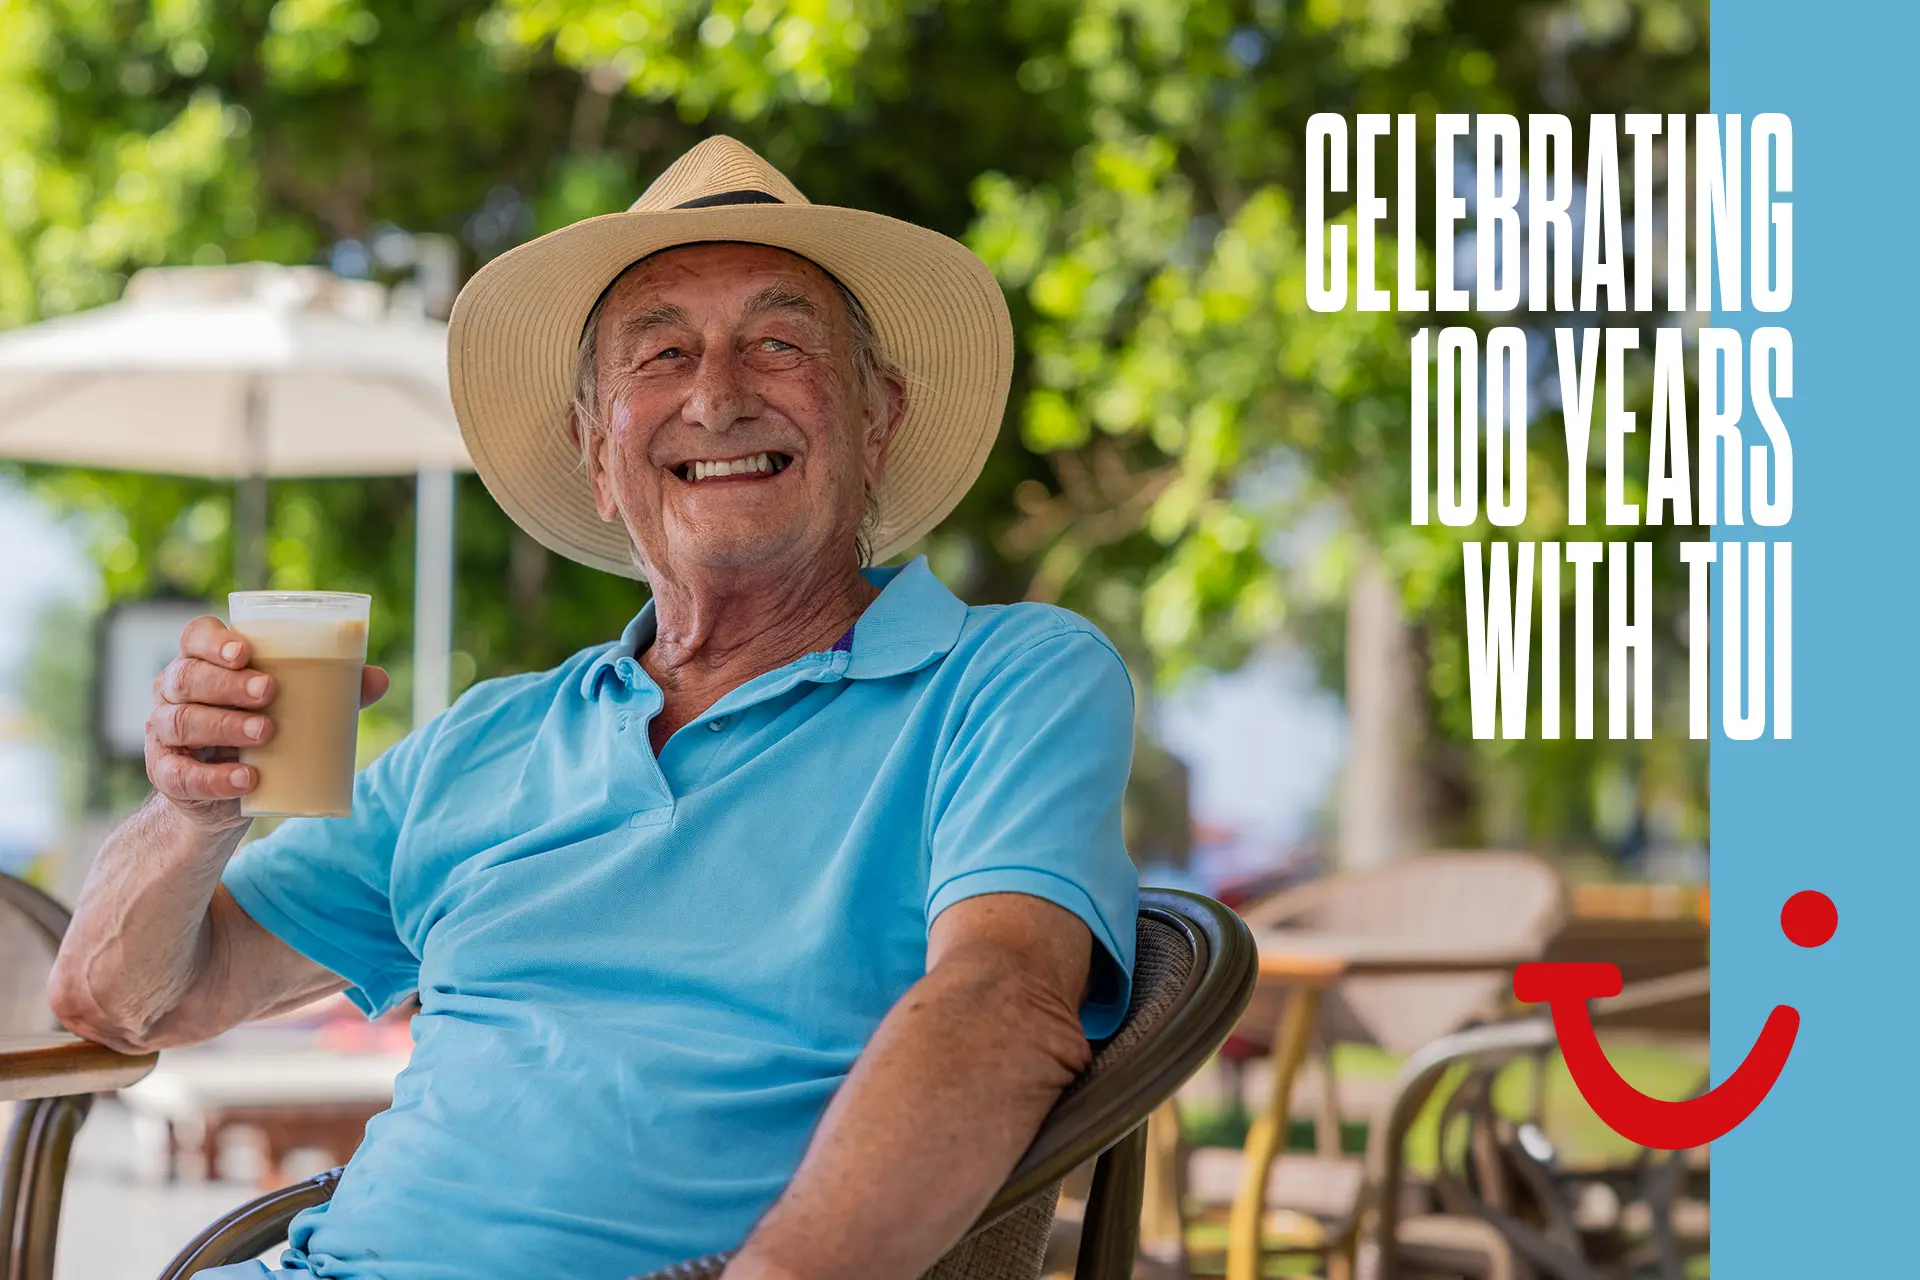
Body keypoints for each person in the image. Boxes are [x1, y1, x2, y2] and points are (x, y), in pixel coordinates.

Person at [49, 137, 1138, 1280]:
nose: (718, 395)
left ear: (877, 419)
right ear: (596, 453)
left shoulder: (1005, 678)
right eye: (661, 353)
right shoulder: (486, 739)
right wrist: (194, 809)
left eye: (779, 343)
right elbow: (120, 997)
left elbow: (1005, 999)